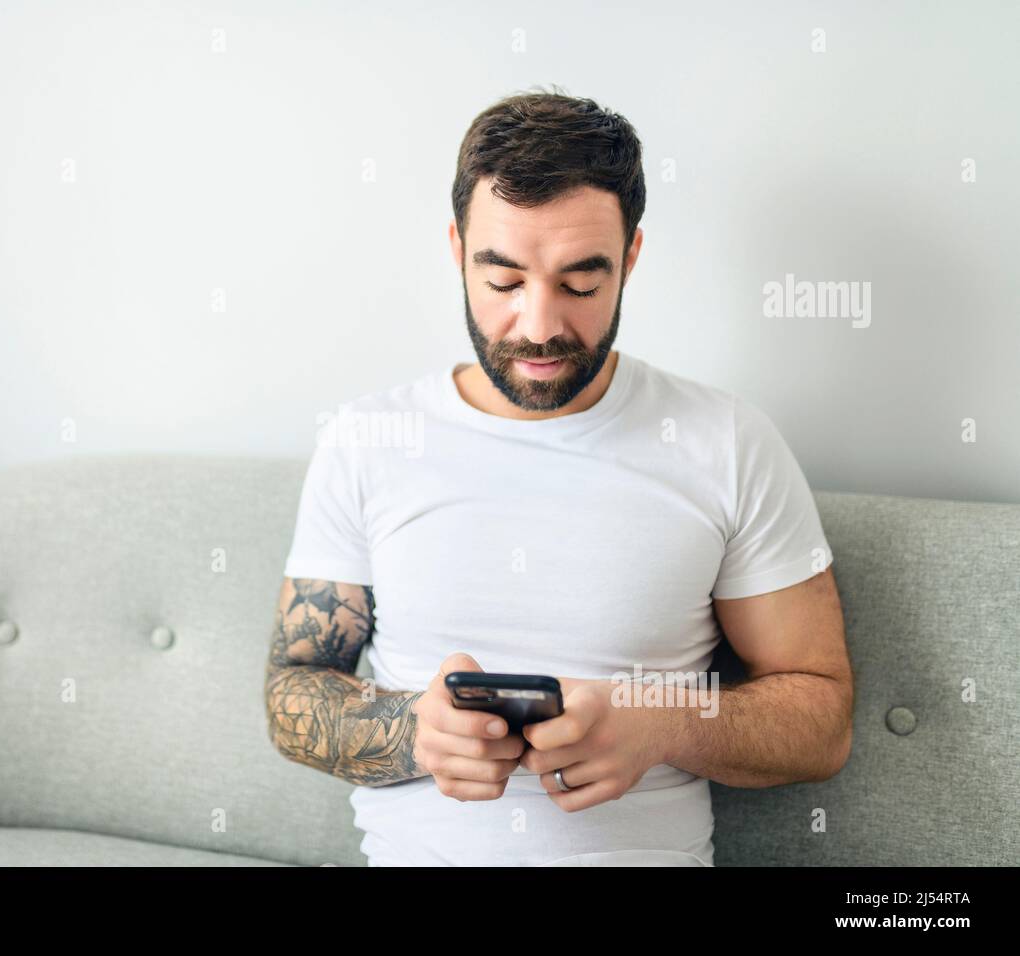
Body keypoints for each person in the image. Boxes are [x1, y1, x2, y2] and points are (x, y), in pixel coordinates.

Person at [264, 86, 853, 867]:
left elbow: (822, 718)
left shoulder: (728, 442)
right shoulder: (368, 440)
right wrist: (413, 733)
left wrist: (660, 725)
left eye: (580, 282)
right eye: (503, 281)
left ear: (630, 258)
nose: (539, 325)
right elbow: (293, 688)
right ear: (456, 250)